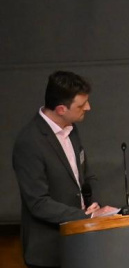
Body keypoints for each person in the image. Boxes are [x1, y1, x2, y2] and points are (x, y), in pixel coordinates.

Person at [13, 71, 118, 268]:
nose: (88, 107)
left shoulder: (71, 129)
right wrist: (87, 216)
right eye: (81, 105)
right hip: (49, 251)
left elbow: (85, 175)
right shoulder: (29, 142)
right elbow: (38, 203)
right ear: (61, 109)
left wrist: (93, 203)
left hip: (80, 244)